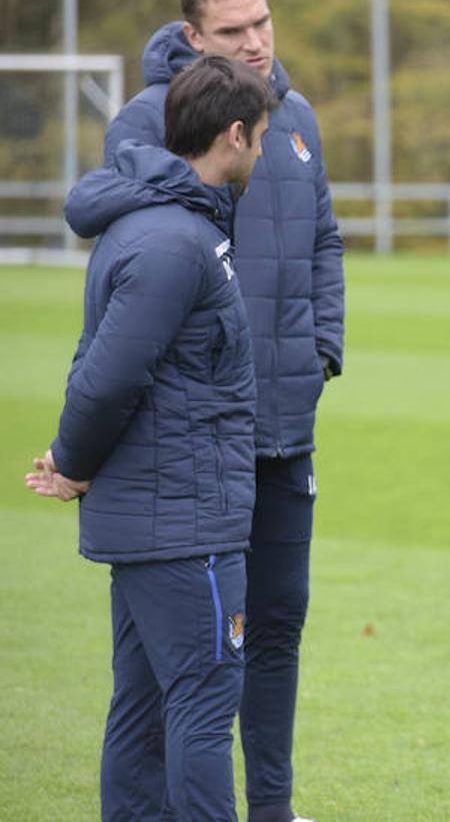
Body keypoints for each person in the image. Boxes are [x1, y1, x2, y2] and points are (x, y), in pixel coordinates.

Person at [103, 0, 345, 822]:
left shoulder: (299, 117)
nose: (254, 44)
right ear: (192, 34)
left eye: (262, 23)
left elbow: (324, 241)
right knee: (166, 660)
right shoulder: (144, 121)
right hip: (193, 441)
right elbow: (136, 271)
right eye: (232, 31)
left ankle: (272, 809)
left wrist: (322, 348)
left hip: (287, 427)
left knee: (276, 632)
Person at [25, 55, 274, 820]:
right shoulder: (173, 244)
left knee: (140, 709)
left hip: (163, 518)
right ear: (233, 137)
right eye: (260, 137)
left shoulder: (168, 227)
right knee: (201, 704)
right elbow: (106, 377)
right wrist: (72, 461)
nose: (262, 151)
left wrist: (80, 462)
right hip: (182, 523)